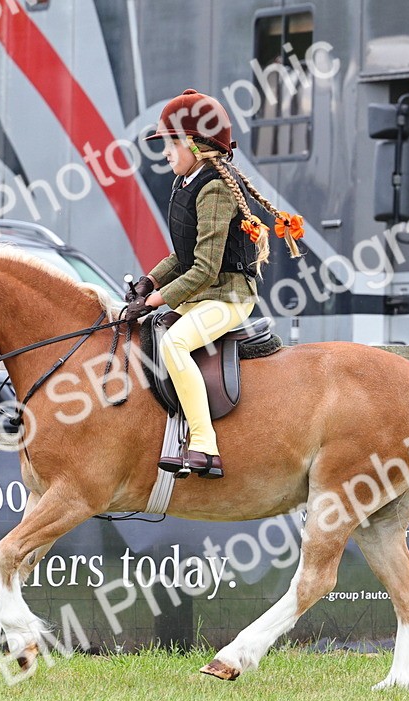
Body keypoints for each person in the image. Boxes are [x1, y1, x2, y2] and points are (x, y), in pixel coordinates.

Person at [123, 89, 304, 479]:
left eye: (171, 143)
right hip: (203, 295)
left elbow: (204, 269)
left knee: (175, 342)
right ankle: (171, 432)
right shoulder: (186, 183)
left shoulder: (214, 189)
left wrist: (158, 298)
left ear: (193, 142)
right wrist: (149, 280)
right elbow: (183, 256)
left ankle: (205, 445)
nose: (166, 152)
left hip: (228, 297)